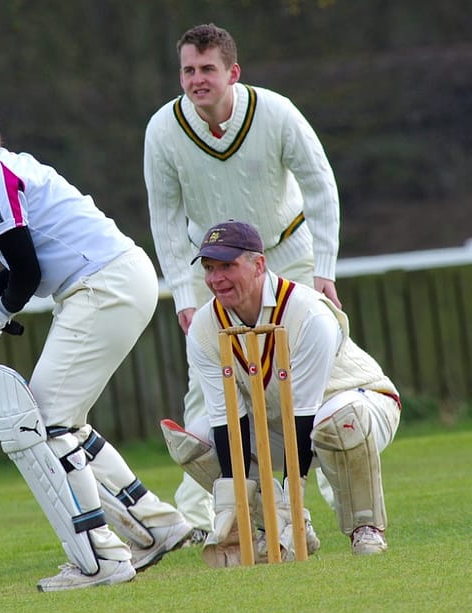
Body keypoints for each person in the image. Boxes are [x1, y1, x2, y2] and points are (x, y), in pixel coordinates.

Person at [0, 76, 191, 592]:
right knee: (64, 423)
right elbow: (23, 266)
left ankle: (101, 557)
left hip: (104, 284)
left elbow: (28, 274)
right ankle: (155, 526)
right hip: (111, 280)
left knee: (45, 424)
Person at [144, 22, 342, 541]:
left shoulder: (276, 112)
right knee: (206, 383)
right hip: (210, 265)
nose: (197, 79)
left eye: (207, 69)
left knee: (321, 379)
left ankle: (346, 510)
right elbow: (165, 218)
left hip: (286, 252)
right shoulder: (162, 129)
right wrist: (183, 294)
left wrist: (323, 269)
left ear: (232, 72)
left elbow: (321, 185)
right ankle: (210, 517)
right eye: (188, 70)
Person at [166, 220, 400, 566]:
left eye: (227, 266)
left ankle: (365, 527)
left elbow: (303, 417)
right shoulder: (204, 326)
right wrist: (234, 504)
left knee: (337, 419)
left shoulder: (307, 312)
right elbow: (228, 420)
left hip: (362, 405)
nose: (216, 279)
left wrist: (294, 501)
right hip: (280, 424)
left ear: (259, 264)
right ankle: (271, 527)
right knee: (195, 441)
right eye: (209, 268)